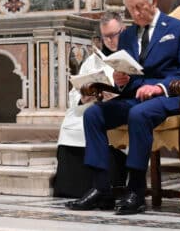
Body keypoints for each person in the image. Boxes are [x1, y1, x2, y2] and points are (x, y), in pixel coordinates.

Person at [66, 0, 180, 214]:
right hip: (136, 96)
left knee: (138, 114)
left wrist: (158, 87)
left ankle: (136, 189)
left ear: (154, 2)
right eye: (131, 9)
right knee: (94, 114)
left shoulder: (179, 29)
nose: (135, 14)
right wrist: (121, 81)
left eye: (140, 7)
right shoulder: (127, 36)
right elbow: (131, 76)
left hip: (173, 96)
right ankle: (101, 189)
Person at [54, 12, 126, 198]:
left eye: (114, 35)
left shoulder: (131, 55)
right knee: (72, 122)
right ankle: (72, 188)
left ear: (123, 29)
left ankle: (103, 186)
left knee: (94, 118)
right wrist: (83, 96)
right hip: (89, 105)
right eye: (106, 37)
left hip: (116, 107)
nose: (110, 40)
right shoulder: (93, 60)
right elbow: (74, 91)